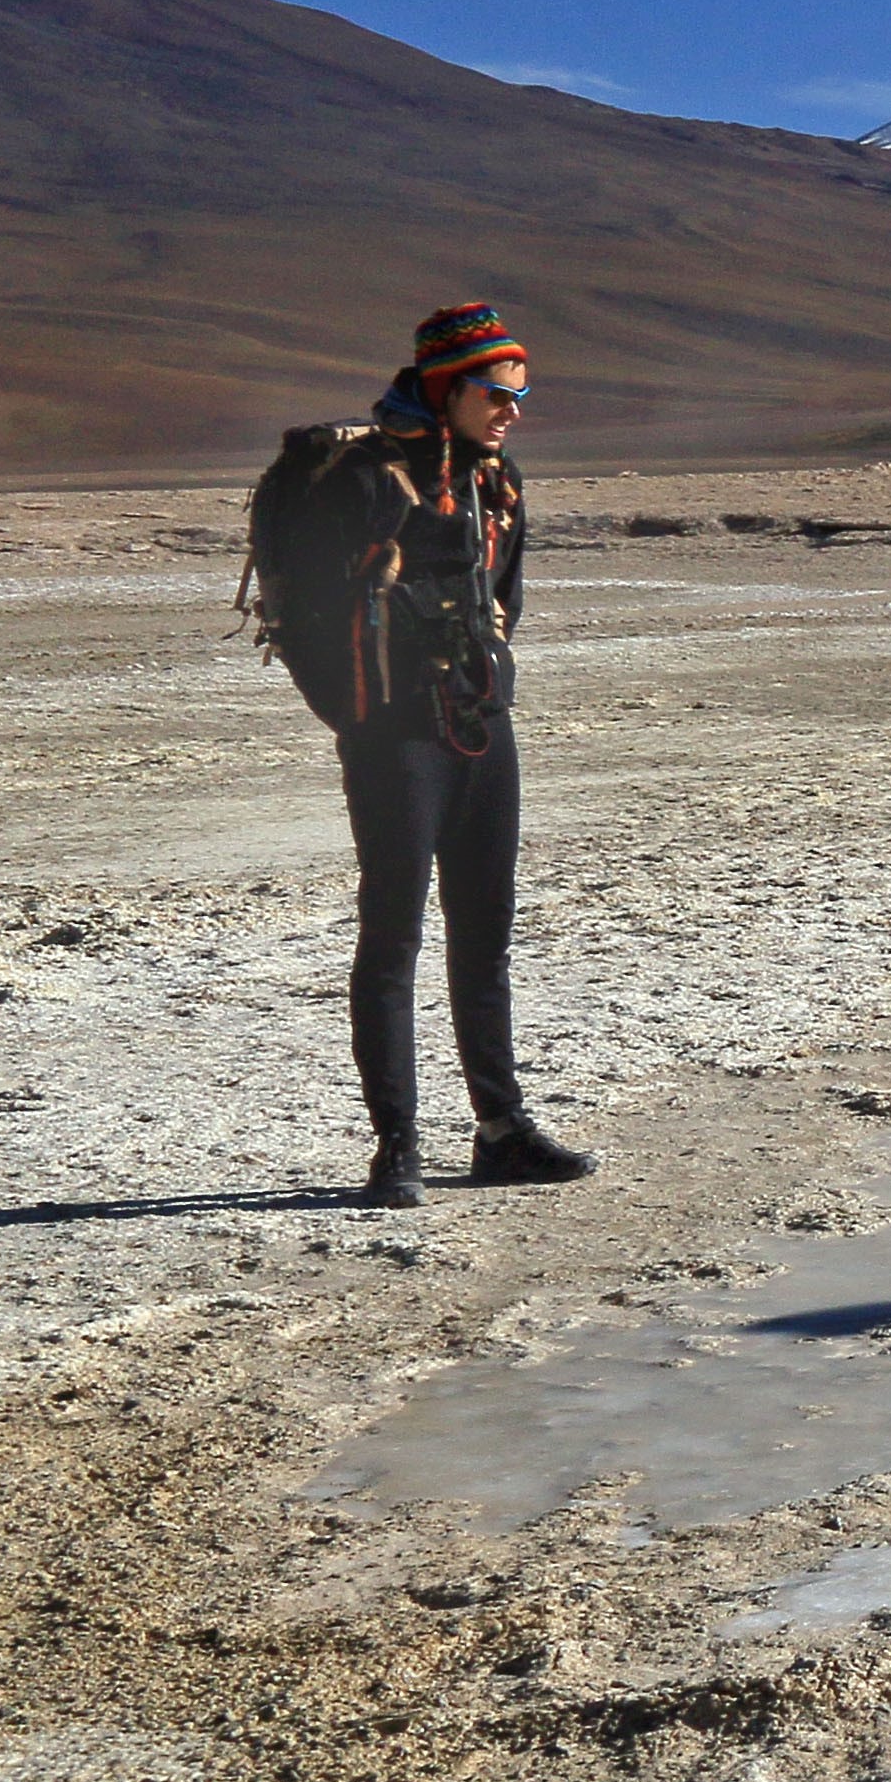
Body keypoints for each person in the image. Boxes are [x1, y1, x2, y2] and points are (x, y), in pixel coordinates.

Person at [246, 302, 595, 1211]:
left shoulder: (496, 481)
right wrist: (361, 720)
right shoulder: (361, 481)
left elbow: (506, 598)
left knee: (484, 933)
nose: (513, 407)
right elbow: (312, 622)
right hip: (395, 738)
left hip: (480, 728)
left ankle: (500, 1130)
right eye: (495, 390)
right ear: (448, 388)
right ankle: (395, 1146)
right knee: (394, 934)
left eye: (521, 391)